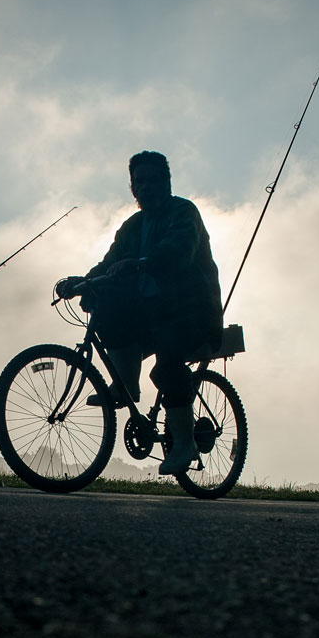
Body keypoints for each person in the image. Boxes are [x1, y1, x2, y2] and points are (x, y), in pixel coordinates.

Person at [55, 151, 222, 475]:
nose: (146, 187)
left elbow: (177, 251)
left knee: (169, 355)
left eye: (153, 180)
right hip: (154, 316)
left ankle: (185, 443)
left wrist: (142, 263)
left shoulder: (184, 213)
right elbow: (109, 262)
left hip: (193, 316)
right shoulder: (132, 226)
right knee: (107, 310)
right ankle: (126, 386)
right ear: (133, 188)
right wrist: (84, 282)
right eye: (139, 182)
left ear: (167, 183)